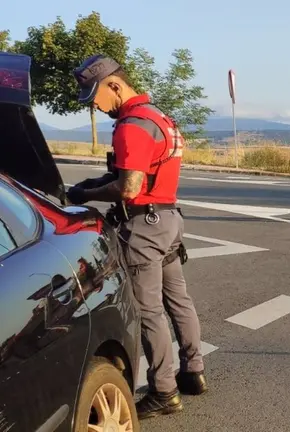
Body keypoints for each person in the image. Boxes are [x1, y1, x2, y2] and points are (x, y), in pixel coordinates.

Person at [66, 54, 208, 419]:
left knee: (148, 312)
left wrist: (86, 194)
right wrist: (95, 183)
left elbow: (129, 187)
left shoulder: (131, 125)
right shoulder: (158, 117)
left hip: (143, 227)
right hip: (169, 219)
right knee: (179, 300)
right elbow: (144, 173)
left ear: (114, 85)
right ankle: (193, 371)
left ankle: (164, 390)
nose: (94, 107)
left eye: (95, 98)